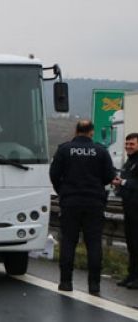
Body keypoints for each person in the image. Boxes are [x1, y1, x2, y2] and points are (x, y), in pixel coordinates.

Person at [49, 120, 117, 295]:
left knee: (68, 242)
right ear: (92, 132)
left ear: (76, 131)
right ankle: (94, 285)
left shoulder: (64, 149)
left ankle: (65, 282)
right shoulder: (101, 151)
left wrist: (63, 191)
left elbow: (54, 174)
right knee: (94, 244)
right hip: (94, 203)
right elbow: (110, 175)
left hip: (70, 202)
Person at [113, 132, 138, 289]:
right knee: (132, 244)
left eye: (132, 144)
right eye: (127, 144)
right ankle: (131, 275)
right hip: (129, 209)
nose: (128, 146)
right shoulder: (129, 162)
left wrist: (122, 182)